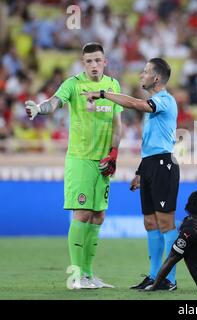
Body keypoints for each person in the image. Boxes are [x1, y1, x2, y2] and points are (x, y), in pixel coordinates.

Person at [25, 42, 122, 289]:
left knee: (98, 216)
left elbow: (117, 123)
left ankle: (89, 275)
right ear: (83, 63)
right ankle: (76, 277)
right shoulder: (73, 84)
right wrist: (39, 108)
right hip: (80, 159)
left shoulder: (113, 86)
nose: (93, 65)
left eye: (97, 60)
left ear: (105, 61)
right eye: (88, 61)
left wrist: (114, 153)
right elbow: (54, 102)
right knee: (83, 213)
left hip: (103, 162)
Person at [82, 58, 180, 291]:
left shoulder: (165, 100)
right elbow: (152, 143)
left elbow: (138, 104)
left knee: (165, 222)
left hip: (164, 164)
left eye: (145, 71)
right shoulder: (156, 103)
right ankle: (154, 276)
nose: (141, 75)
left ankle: (170, 279)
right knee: (150, 222)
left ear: (156, 78)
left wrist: (104, 94)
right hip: (150, 164)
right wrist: (141, 171)